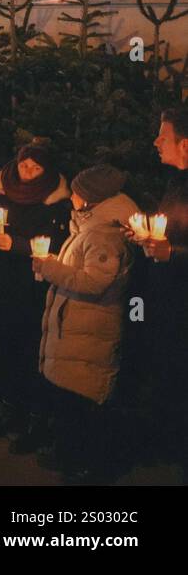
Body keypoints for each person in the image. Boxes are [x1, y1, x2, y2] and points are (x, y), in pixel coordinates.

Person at [34, 164, 135, 483]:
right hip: (75, 328)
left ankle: (87, 464)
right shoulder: (87, 228)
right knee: (69, 398)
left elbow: (95, 283)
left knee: (82, 400)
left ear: (91, 199)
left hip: (90, 330)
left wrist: (51, 269)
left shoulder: (102, 234)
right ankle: (70, 454)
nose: (72, 196)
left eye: (77, 192)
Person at [0, 141, 70, 453]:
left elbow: (56, 245)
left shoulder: (55, 204)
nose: (27, 171)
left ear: (47, 171)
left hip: (31, 291)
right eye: (24, 164)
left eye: (35, 167)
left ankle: (34, 420)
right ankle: (8, 410)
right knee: (0, 350)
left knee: (29, 354)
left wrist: (18, 245)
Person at [144, 106, 188, 483]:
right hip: (170, 303)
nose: (156, 141)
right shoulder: (175, 184)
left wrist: (173, 253)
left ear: (185, 144)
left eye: (163, 135)